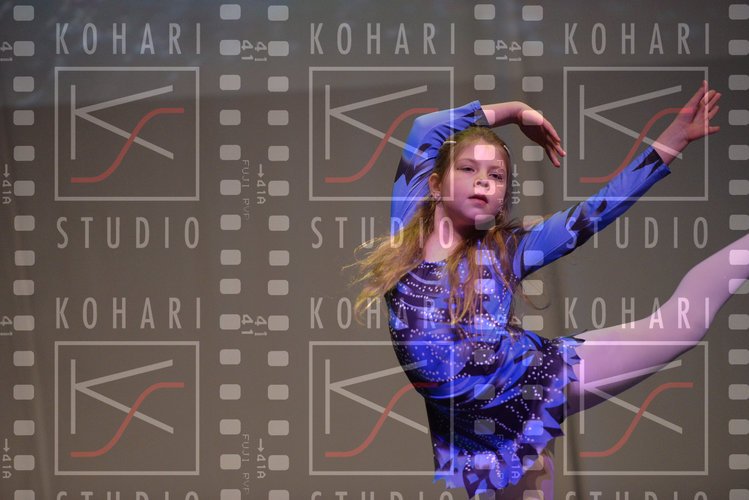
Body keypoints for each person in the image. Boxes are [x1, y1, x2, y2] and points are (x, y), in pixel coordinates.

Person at [348, 82, 746, 499]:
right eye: (468, 169)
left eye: (496, 176)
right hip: (475, 431)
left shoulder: (507, 251)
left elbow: (594, 212)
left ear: (502, 200)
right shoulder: (407, 226)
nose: (483, 181)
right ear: (434, 184)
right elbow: (426, 128)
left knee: (679, 326)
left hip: (533, 380)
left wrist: (671, 143)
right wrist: (514, 111)